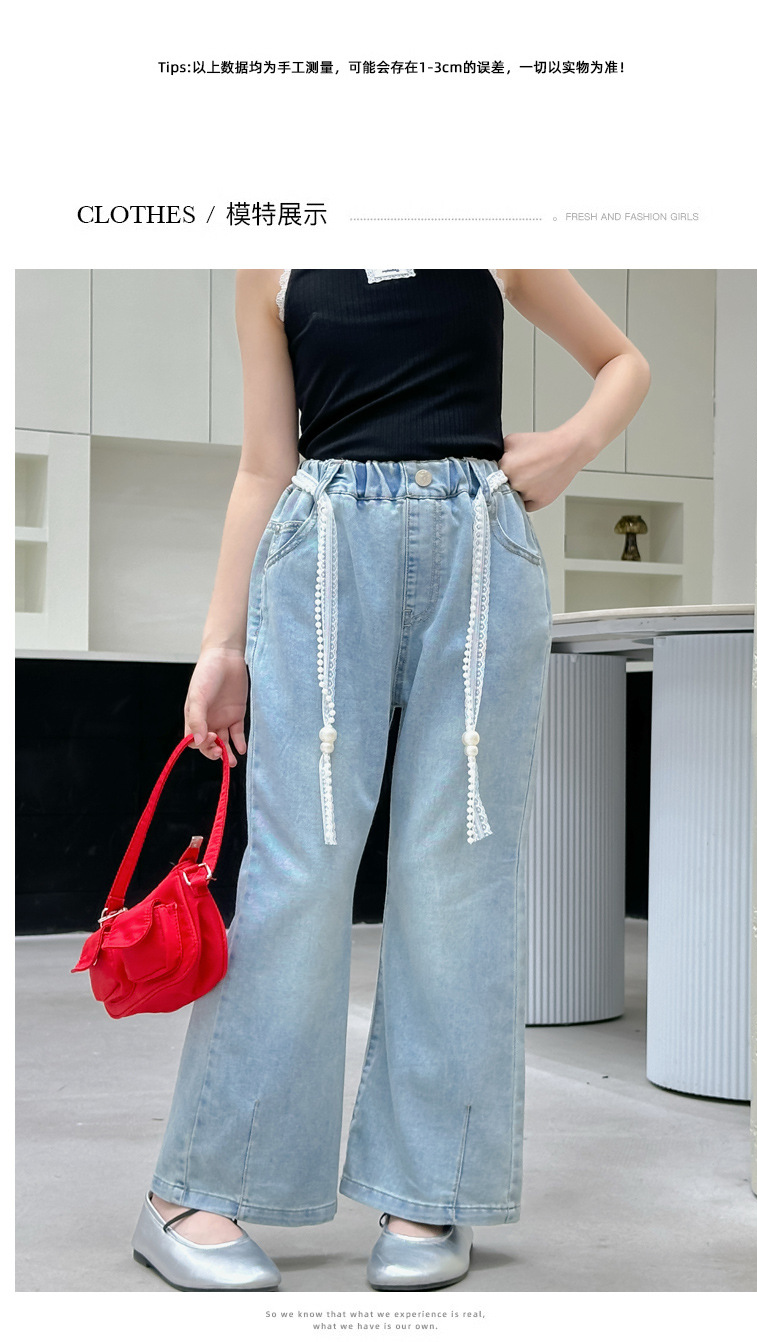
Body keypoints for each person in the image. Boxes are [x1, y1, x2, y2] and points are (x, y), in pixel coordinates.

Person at [131, 269, 651, 1291]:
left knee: (460, 876)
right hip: (322, 554)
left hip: (481, 554)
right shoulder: (274, 260)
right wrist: (220, 644)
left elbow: (624, 362)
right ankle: (195, 1189)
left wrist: (573, 444)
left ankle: (429, 1187)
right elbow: (264, 462)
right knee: (296, 877)